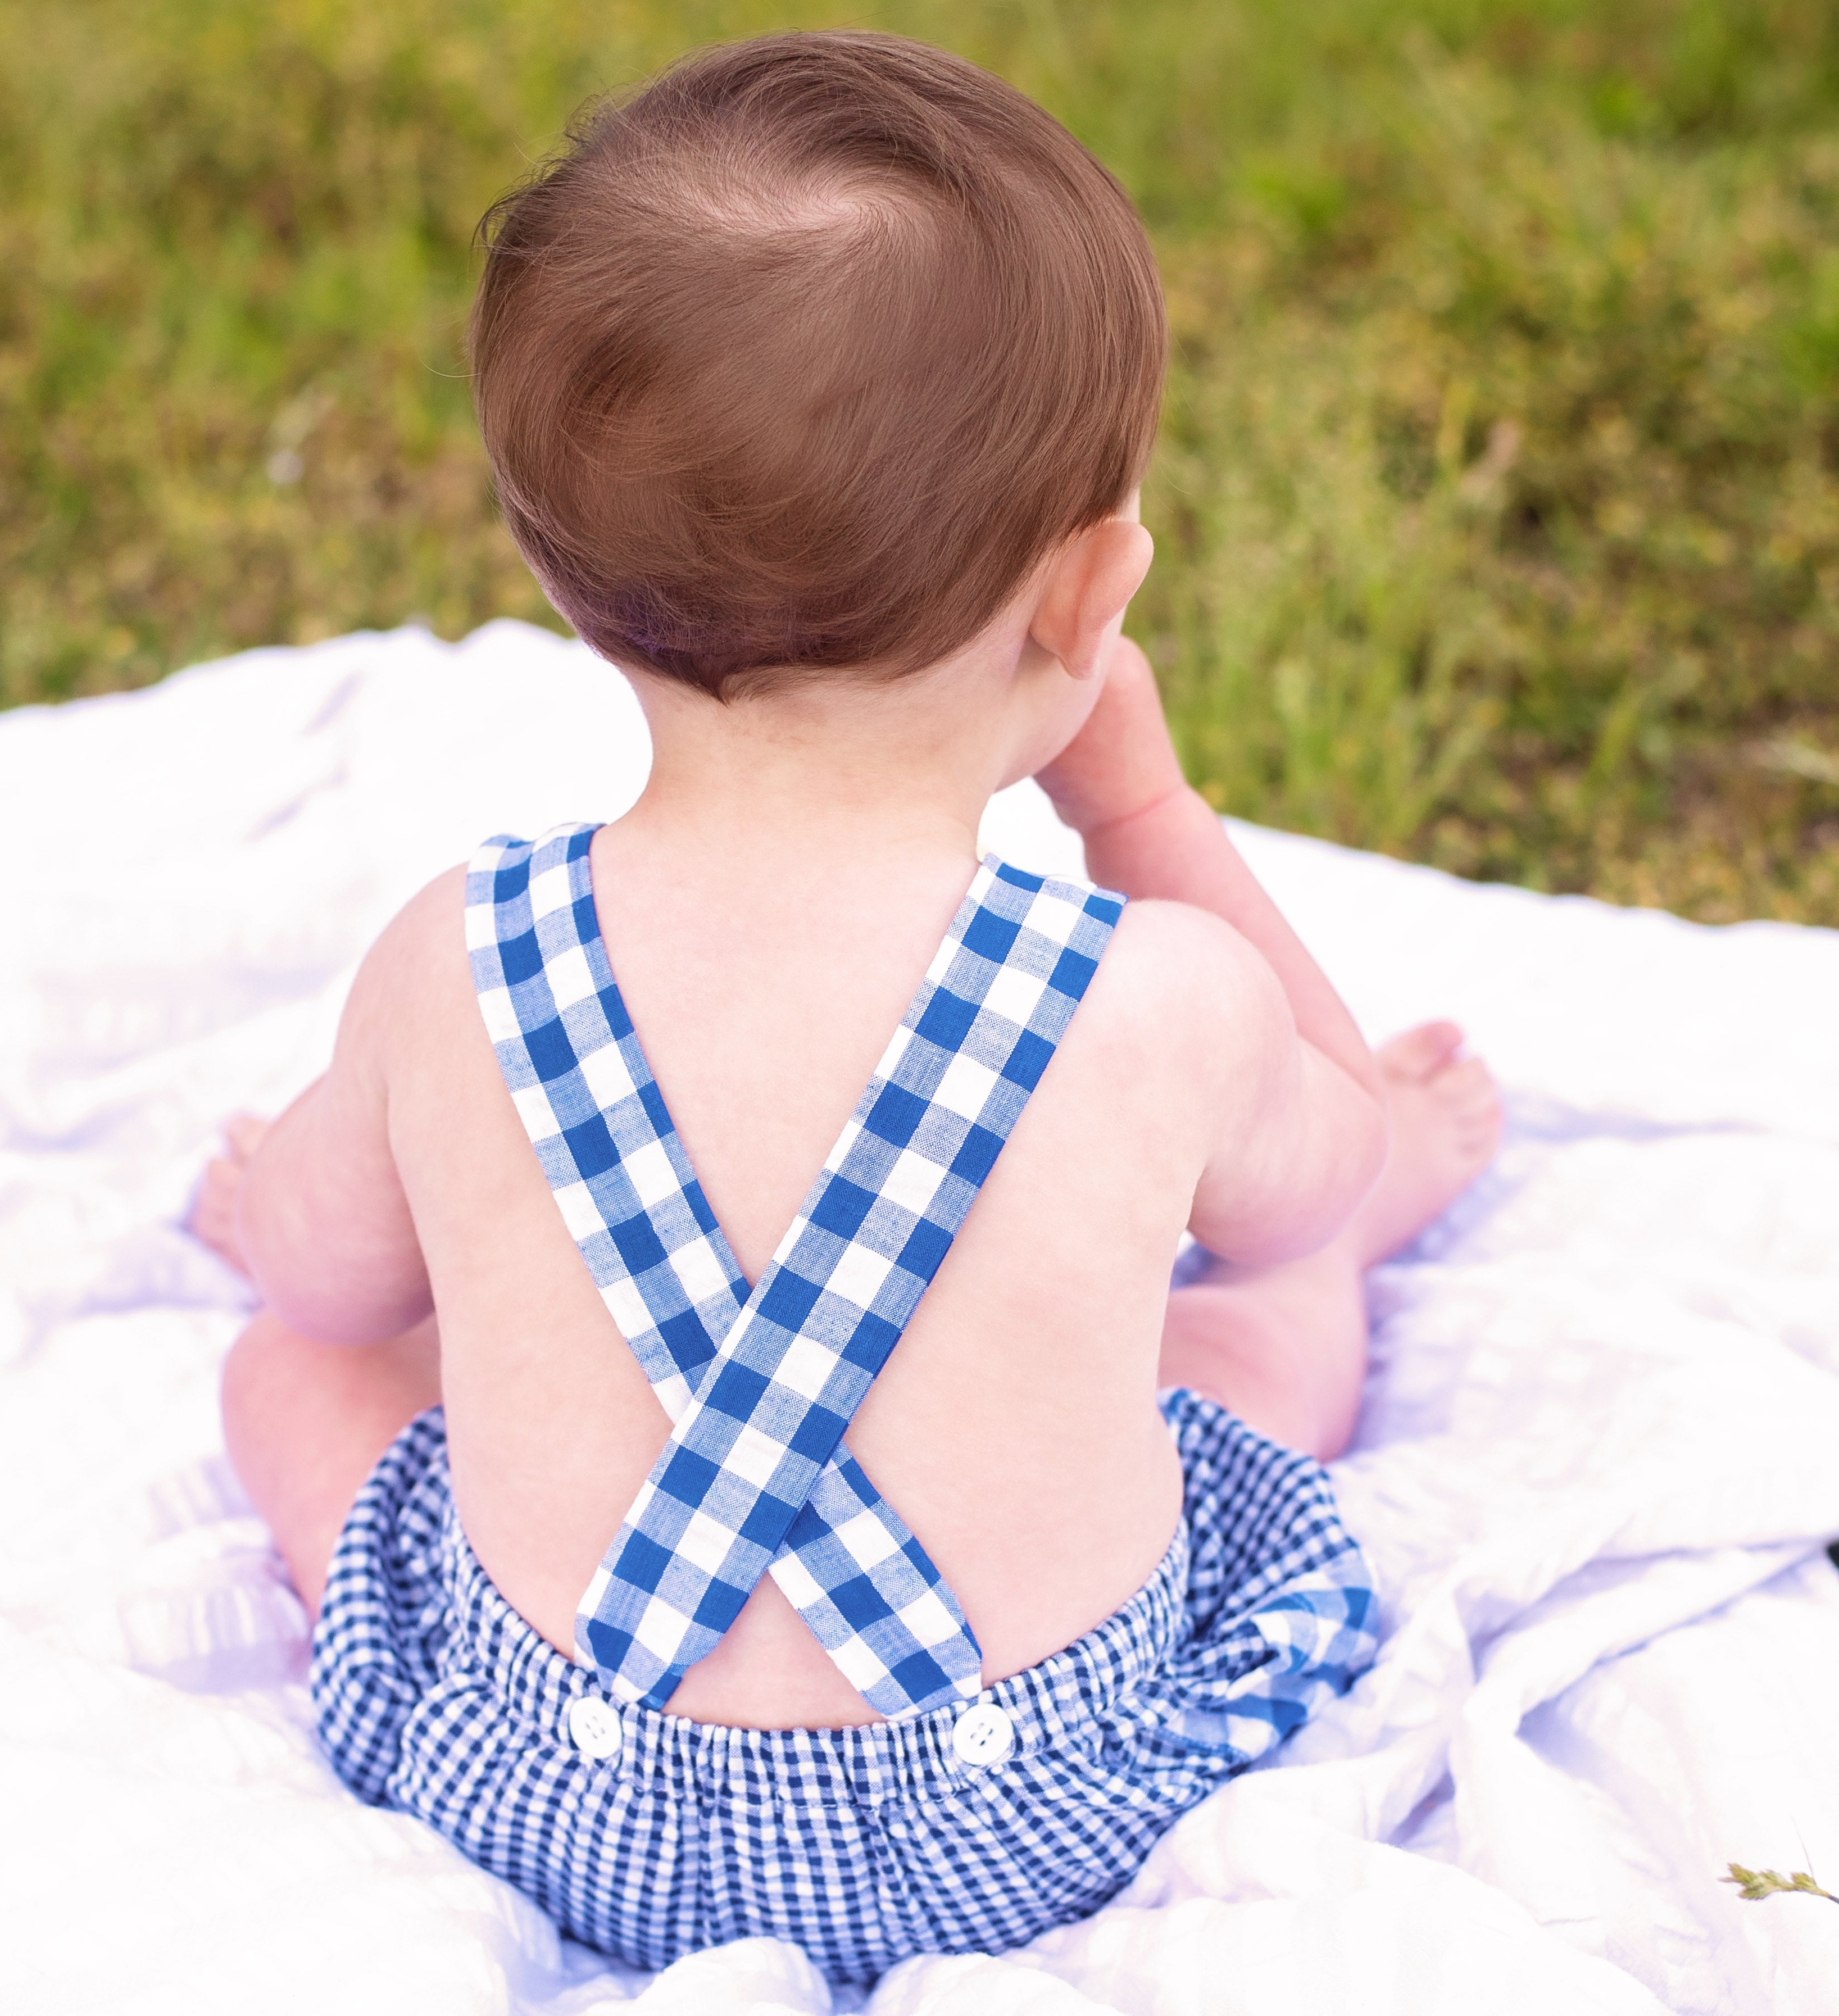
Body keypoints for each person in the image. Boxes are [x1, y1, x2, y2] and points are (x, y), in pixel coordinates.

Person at [190, 29, 1502, 1985]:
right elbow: (1311, 1151)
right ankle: (1354, 1240)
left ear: (561, 577)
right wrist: (1141, 812)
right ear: (1090, 596)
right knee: (1261, 1311)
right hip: (1035, 1810)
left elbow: (325, 1287)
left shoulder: (457, 955)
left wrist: (291, 1211)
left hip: (561, 1791)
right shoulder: (1153, 998)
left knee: (288, 1375)